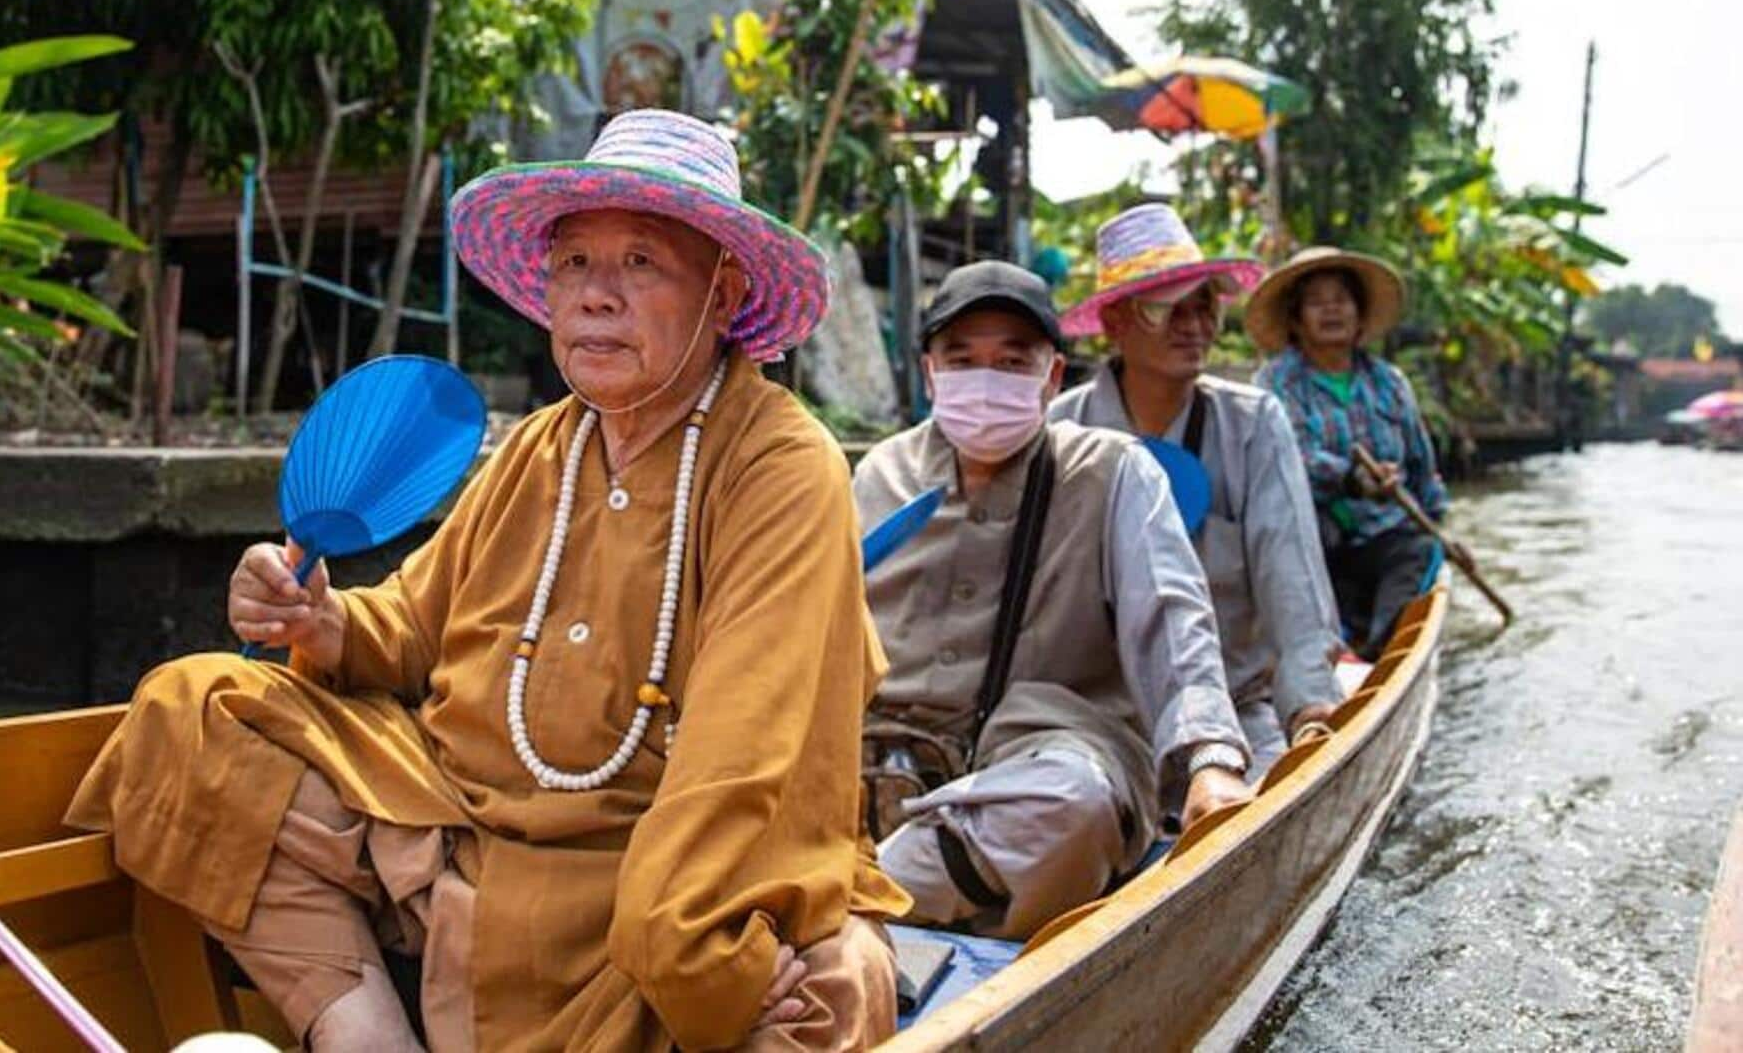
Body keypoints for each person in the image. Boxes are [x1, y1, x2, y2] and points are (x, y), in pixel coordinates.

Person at [66, 109, 907, 1052]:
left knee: (833, 983)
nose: (595, 296)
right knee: (194, 710)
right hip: (458, 835)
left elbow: (746, 756)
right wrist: (320, 619)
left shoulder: (780, 464)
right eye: (575, 264)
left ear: (723, 293)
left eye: (640, 264)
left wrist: (698, 959)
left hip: (646, 885)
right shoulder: (540, 447)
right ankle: (367, 1040)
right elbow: (415, 628)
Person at [853, 259, 1252, 940]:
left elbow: (1172, 616)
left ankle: (857, 899)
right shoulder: (880, 472)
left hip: (1042, 758)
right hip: (880, 767)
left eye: (1012, 362)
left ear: (1052, 377)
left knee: (1072, 803)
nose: (986, 381)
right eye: (963, 360)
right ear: (928, 375)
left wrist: (1210, 761)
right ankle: (883, 884)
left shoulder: (1111, 469)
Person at [1050, 205, 1345, 776]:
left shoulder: (1254, 423)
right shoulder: (1064, 432)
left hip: (1237, 707)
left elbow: (1291, 573)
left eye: (1204, 305)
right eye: (1166, 310)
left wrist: (1310, 708)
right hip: (1097, 720)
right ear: (1114, 323)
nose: (1194, 326)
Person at [1249, 247, 1452, 657]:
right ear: (1295, 319)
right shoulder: (1276, 382)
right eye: (1316, 302)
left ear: (1359, 314)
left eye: (1341, 299)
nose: (1331, 311)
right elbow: (1288, 459)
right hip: (1317, 537)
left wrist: (1440, 530)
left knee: (1420, 551)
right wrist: (1353, 481)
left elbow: (1421, 467)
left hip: (1386, 536)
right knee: (1303, 548)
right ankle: (1327, 643)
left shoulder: (1388, 382)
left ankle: (1377, 655)